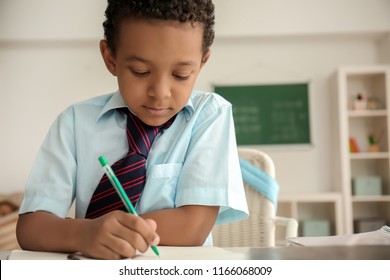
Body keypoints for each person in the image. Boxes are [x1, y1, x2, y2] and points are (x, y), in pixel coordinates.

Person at [16, 0, 248, 260]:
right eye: (141, 71)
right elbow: (31, 228)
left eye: (181, 74)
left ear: (202, 62)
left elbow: (193, 227)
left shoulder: (209, 115)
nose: (160, 93)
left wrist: (113, 231)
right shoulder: (74, 122)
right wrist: (84, 234)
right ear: (110, 58)